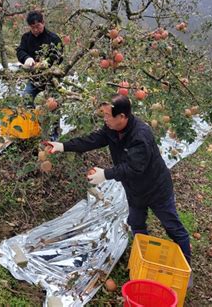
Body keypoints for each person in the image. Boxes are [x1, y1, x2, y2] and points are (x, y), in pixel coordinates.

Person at [45, 95, 192, 267]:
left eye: (108, 115)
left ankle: (186, 266)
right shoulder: (112, 129)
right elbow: (94, 139)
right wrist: (63, 146)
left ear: (122, 117)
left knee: (172, 227)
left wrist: (105, 174)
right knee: (136, 223)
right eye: (104, 114)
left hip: (156, 189)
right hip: (134, 189)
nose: (105, 118)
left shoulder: (140, 136)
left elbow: (134, 168)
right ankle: (141, 259)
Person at [16, 10, 63, 104]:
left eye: (38, 26)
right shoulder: (26, 38)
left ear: (43, 23)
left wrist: (46, 63)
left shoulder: (53, 38)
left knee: (53, 104)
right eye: (32, 27)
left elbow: (58, 56)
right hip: (34, 78)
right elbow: (20, 51)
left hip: (51, 78)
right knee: (26, 101)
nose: (35, 30)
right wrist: (26, 58)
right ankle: (30, 118)